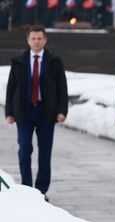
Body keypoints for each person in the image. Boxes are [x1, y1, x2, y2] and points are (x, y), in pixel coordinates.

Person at [5, 25, 68, 202]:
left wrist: (62, 110)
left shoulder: (54, 61)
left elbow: (62, 87)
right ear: (28, 40)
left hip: (46, 112)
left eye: (40, 38)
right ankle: (26, 187)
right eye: (33, 38)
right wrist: (9, 112)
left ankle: (41, 190)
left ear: (45, 40)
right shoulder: (19, 60)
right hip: (24, 112)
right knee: (24, 149)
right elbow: (11, 87)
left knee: (45, 152)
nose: (37, 42)